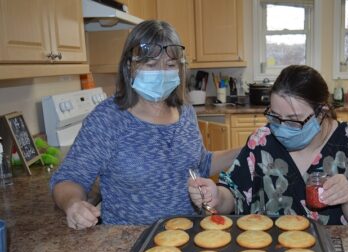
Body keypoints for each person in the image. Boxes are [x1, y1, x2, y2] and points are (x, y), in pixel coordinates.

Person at [50, 20, 240, 229]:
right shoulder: (107, 119)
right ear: (129, 66)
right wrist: (73, 204)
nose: (161, 72)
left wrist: (248, 147)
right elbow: (68, 179)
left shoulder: (185, 112)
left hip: (185, 237)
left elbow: (199, 163)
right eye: (150, 65)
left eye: (170, 65)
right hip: (128, 243)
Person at [188, 65, 348, 225]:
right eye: (275, 117)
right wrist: (216, 197)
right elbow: (233, 196)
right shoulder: (261, 141)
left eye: (294, 120)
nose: (282, 128)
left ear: (322, 112)